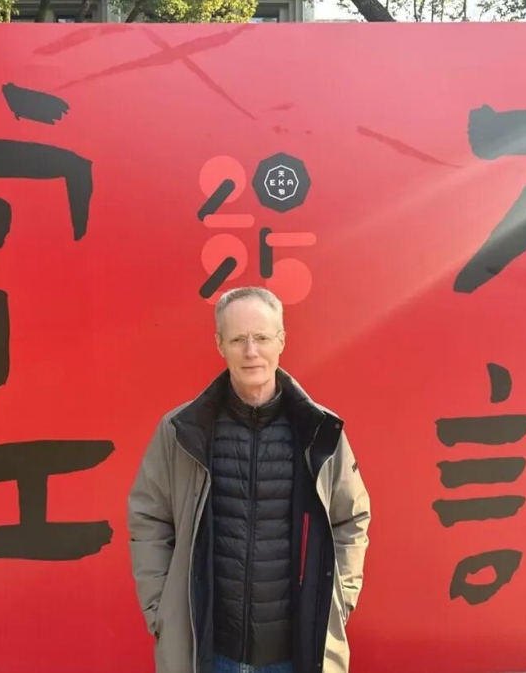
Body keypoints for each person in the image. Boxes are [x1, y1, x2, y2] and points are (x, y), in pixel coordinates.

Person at [127, 286, 371, 673]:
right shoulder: (182, 431)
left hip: (295, 654)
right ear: (220, 344)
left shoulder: (319, 432)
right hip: (208, 651)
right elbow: (149, 518)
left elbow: (351, 518)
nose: (251, 351)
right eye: (238, 339)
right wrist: (161, 609)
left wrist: (340, 600)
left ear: (281, 341)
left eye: (261, 337)